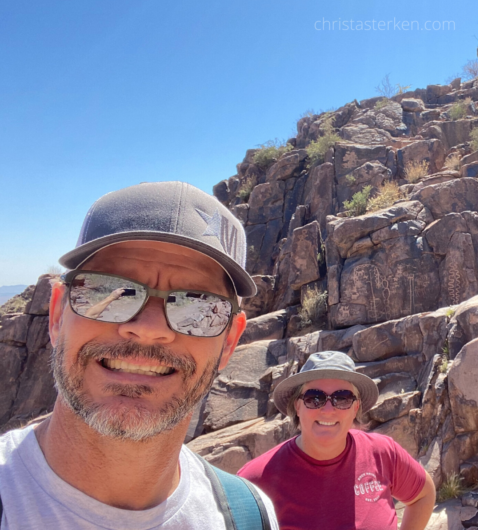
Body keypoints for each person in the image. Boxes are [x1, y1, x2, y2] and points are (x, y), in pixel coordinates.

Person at [0, 181, 279, 529]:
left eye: (198, 306)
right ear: (57, 315)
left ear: (229, 343)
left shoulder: (248, 517)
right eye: (109, 292)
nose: (148, 328)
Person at [238, 351, 437, 530]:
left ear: (355, 407)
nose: (327, 409)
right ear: (297, 406)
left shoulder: (382, 453)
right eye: (314, 398)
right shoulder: (255, 480)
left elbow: (423, 495)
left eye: (342, 398)